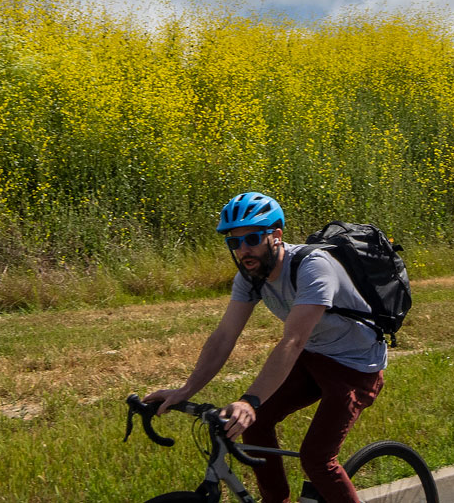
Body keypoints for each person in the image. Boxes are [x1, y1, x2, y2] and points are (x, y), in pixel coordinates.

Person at [142, 192, 388, 503]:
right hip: (314, 357)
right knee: (255, 427)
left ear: (276, 235)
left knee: (316, 458)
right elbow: (223, 337)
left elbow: (293, 340)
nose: (244, 250)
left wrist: (248, 401)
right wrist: (185, 390)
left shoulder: (313, 267)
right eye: (235, 242)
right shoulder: (250, 275)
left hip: (356, 366)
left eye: (253, 238)